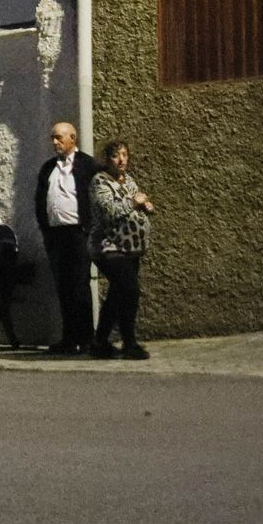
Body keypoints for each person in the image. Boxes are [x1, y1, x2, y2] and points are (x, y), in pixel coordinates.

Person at [34, 122, 101, 356]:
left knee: (80, 286)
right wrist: (45, 229)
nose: (55, 142)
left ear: (73, 138)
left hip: (78, 234)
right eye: (53, 138)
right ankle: (69, 339)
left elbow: (97, 198)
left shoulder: (87, 165)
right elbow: (40, 201)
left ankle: (87, 339)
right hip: (56, 236)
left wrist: (90, 229)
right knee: (63, 288)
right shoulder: (48, 168)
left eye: (59, 138)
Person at [89, 140, 155, 360]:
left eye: (125, 155)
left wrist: (146, 206)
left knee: (118, 293)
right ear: (108, 159)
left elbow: (136, 200)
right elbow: (111, 211)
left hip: (131, 248)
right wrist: (134, 203)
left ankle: (100, 342)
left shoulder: (129, 180)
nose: (121, 160)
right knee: (129, 290)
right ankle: (129, 343)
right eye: (116, 156)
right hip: (109, 247)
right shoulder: (100, 182)